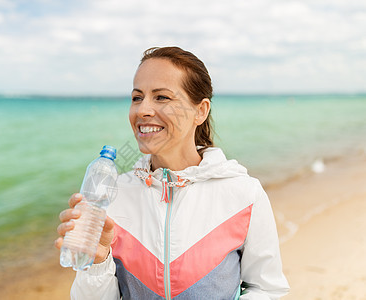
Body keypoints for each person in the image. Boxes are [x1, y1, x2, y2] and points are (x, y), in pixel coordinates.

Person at [55, 46, 290, 299]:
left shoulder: (244, 194)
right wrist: (97, 261)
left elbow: (267, 288)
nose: (142, 110)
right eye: (137, 97)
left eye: (162, 97)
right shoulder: (115, 195)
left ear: (200, 111)